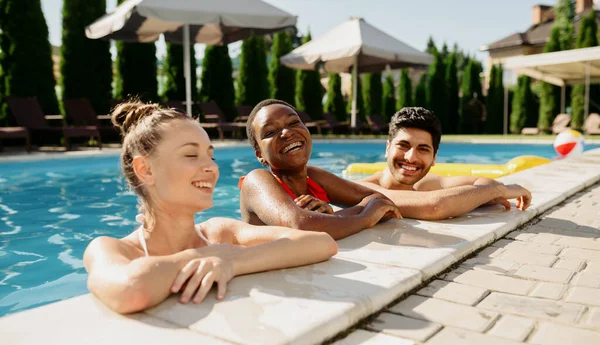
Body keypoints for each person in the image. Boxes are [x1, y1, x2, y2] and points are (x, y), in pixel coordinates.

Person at [83, 101, 338, 315]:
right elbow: (131, 290)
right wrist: (210, 255)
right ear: (145, 170)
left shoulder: (219, 232)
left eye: (211, 156)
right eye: (191, 155)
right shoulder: (110, 248)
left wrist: (232, 260)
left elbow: (321, 243)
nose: (211, 168)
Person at [239, 99, 401, 240]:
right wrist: (366, 217)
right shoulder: (256, 180)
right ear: (260, 155)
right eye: (270, 132)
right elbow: (301, 226)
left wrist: (329, 218)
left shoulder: (314, 177)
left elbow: (381, 202)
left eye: (293, 123)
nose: (287, 133)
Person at [358, 107, 532, 220]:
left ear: (434, 157)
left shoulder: (425, 183)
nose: (411, 158)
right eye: (403, 146)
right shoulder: (361, 189)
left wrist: (483, 194)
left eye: (423, 149)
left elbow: (484, 182)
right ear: (387, 148)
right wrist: (498, 191)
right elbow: (434, 206)